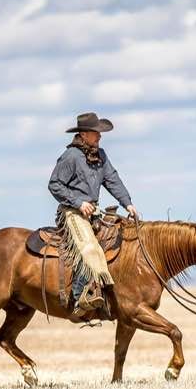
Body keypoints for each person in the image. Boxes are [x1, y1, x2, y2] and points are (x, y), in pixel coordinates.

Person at [48, 112, 139, 312]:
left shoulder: (101, 155)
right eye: (95, 132)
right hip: (72, 212)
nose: (100, 136)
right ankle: (80, 297)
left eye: (99, 133)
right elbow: (54, 185)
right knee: (88, 247)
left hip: (93, 212)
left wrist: (127, 204)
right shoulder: (70, 156)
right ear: (83, 134)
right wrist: (79, 203)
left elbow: (112, 179)